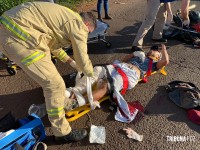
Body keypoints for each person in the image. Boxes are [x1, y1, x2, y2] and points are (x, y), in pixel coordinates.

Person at [0, 2, 97, 143]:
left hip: (12, 34)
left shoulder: (63, 17)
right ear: (87, 25)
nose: (86, 35)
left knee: (53, 79)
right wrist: (90, 72)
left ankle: (63, 103)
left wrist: (71, 62)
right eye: (88, 33)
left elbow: (53, 45)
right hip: (22, 38)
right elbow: (82, 55)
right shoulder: (78, 24)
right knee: (54, 84)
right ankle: (62, 133)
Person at [65, 44, 169, 106]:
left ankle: (77, 103)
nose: (152, 50)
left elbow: (166, 62)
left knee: (105, 85)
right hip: (119, 66)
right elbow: (123, 60)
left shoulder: (155, 64)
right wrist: (133, 54)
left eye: (155, 51)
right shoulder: (140, 55)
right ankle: (72, 92)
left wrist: (163, 49)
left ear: (158, 56)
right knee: (96, 70)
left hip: (130, 74)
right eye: (153, 49)